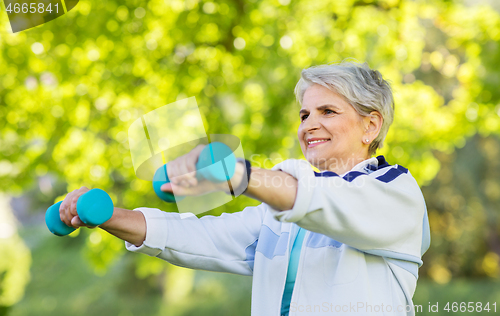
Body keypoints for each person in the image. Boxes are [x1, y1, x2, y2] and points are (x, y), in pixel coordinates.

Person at [59, 61, 430, 316]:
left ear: (370, 126)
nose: (308, 125)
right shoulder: (281, 216)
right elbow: (199, 236)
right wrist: (107, 216)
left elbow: (321, 201)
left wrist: (237, 174)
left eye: (327, 112)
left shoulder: (396, 194)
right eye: (304, 115)